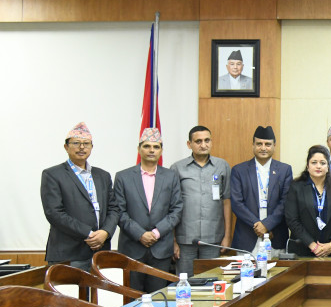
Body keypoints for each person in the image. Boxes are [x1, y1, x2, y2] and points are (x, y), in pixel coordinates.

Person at [40, 122, 119, 272]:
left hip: (100, 251)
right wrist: (89, 234)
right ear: (66, 147)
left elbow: (114, 208)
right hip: (69, 253)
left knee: (100, 289)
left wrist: (106, 232)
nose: (82, 147)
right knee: (68, 289)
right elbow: (54, 213)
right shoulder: (53, 175)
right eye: (76, 143)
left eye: (86, 144)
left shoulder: (103, 175)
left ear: (91, 147)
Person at [113, 128, 183, 292]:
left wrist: (156, 233)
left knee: (158, 297)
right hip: (132, 248)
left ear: (161, 151)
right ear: (139, 149)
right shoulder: (123, 177)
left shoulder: (171, 176)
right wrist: (140, 234)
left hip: (161, 248)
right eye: (147, 146)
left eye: (156, 147)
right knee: (131, 298)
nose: (151, 150)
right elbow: (119, 212)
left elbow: (177, 209)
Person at [170, 126, 232, 277]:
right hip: (185, 239)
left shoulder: (222, 166)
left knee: (211, 281)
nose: (203, 145)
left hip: (213, 238)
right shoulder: (177, 168)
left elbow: (226, 201)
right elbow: (171, 206)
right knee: (185, 282)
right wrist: (173, 241)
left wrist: (227, 236)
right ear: (189, 144)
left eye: (207, 140)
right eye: (198, 141)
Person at [230, 126, 293, 256]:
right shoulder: (239, 170)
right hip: (247, 236)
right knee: (246, 269)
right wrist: (258, 225)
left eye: (267, 144)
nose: (263, 148)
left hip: (275, 236)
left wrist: (267, 225)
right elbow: (237, 203)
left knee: (277, 269)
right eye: (259, 144)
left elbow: (285, 202)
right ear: (253, 145)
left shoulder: (284, 170)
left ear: (274, 145)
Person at [285, 145, 331, 257]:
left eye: (323, 163)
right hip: (303, 249)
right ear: (307, 166)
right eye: (314, 162)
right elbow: (292, 220)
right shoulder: (296, 187)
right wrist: (312, 245)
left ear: (328, 167)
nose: (318, 166)